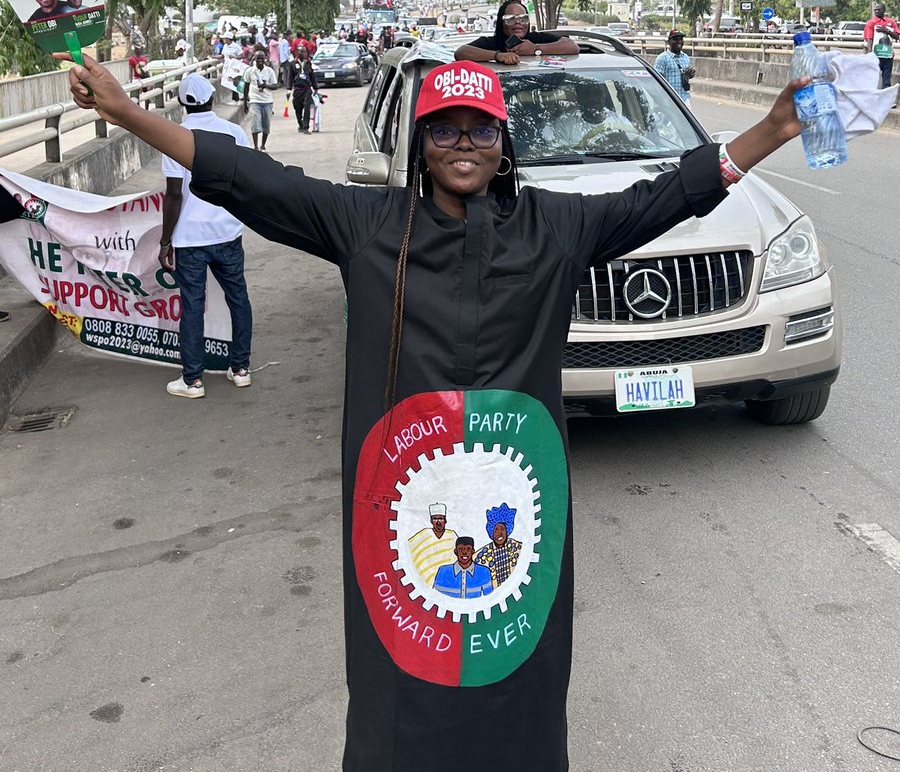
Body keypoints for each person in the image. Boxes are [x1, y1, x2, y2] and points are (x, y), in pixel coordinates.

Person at [64, 52, 809, 772]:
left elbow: (666, 195)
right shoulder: (367, 225)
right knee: (401, 691)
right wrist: (127, 112)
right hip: (403, 522)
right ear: (420, 145)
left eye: (480, 129)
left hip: (516, 517)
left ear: (502, 142)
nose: (463, 144)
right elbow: (249, 178)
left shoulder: (555, 229)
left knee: (521, 683)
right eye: (443, 129)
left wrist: (771, 133)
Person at [159, 74, 253, 398]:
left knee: (192, 306)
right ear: (212, 99)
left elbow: (173, 196)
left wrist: (164, 241)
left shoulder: (175, 138)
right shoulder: (234, 133)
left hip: (190, 237)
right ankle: (240, 368)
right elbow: (246, 181)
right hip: (227, 231)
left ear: (183, 103)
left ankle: (193, 380)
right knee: (237, 298)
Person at [455, 0, 578, 64]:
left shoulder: (537, 39)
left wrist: (535, 49)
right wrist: (497, 56)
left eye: (523, 18)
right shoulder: (491, 44)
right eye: (510, 19)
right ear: (501, 23)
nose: (518, 22)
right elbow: (461, 53)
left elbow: (572, 46)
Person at [475, 503, 523, 589]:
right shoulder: (481, 556)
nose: (499, 533)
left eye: (502, 529)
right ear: (491, 532)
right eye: (496, 530)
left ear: (507, 530)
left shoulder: (518, 548)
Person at [408, 504, 458, 586]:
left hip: (449, 580)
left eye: (441, 519)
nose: (438, 522)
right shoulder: (423, 535)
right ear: (431, 521)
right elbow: (408, 548)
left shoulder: (452, 535)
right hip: (426, 580)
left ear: (445, 521)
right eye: (435, 519)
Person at [242, 51, 277, 152]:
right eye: (258, 58)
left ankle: (263, 145)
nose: (260, 60)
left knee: (266, 124)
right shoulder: (250, 71)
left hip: (267, 101)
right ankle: (256, 146)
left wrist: (266, 86)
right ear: (254, 59)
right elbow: (246, 87)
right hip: (254, 101)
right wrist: (245, 102)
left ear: (265, 59)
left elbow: (275, 85)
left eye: (262, 58)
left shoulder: (269, 71)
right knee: (255, 123)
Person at [654, 30, 696, 104]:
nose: (679, 41)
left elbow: (688, 76)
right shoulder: (662, 58)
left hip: (684, 99)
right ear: (669, 41)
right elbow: (656, 80)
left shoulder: (685, 57)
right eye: (675, 39)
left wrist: (690, 74)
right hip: (668, 100)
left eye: (681, 39)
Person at [864, 3, 900, 89]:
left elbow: (897, 36)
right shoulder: (871, 23)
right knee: (873, 79)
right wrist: (870, 54)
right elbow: (869, 39)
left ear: (884, 10)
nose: (876, 11)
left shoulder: (891, 22)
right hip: (876, 56)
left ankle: (886, 98)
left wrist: (887, 31)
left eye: (879, 9)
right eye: (875, 10)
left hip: (888, 55)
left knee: (886, 80)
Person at [286, 45, 318, 133]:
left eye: (304, 52)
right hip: (297, 89)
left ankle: (306, 127)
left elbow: (312, 76)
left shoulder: (308, 63)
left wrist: (315, 87)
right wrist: (289, 89)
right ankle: (300, 124)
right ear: (297, 53)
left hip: (307, 89)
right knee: (298, 108)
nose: (303, 53)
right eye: (301, 51)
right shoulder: (292, 64)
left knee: (307, 107)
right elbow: (290, 77)